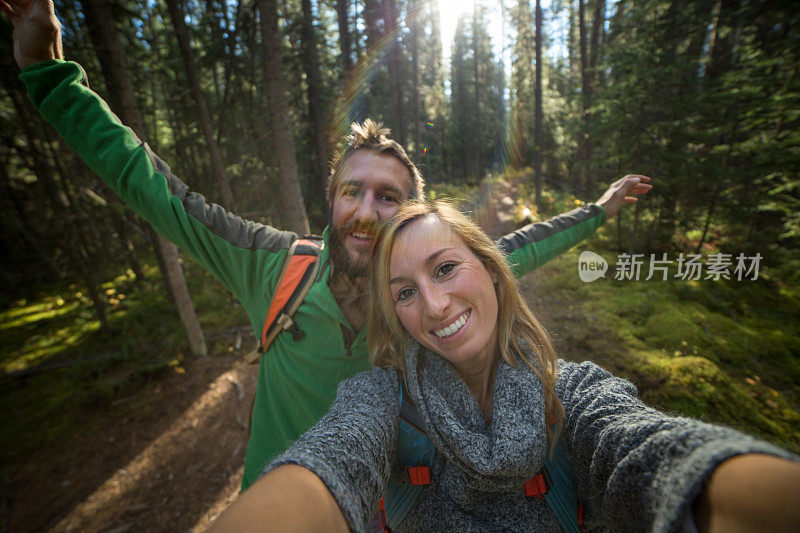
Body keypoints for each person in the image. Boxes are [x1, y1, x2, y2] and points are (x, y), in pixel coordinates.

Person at [2, 0, 654, 491]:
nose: (366, 212)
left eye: (389, 197)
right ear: (331, 194)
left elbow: (526, 244)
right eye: (353, 191)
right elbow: (151, 187)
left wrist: (600, 210)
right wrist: (50, 74)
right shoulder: (272, 266)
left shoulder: (430, 289)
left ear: (412, 213)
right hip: (273, 507)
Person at [211, 200, 800, 532]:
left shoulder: (573, 392)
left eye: (445, 269)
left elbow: (645, 450)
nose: (435, 305)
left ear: (493, 268)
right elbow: (332, 459)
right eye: (405, 292)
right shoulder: (378, 400)